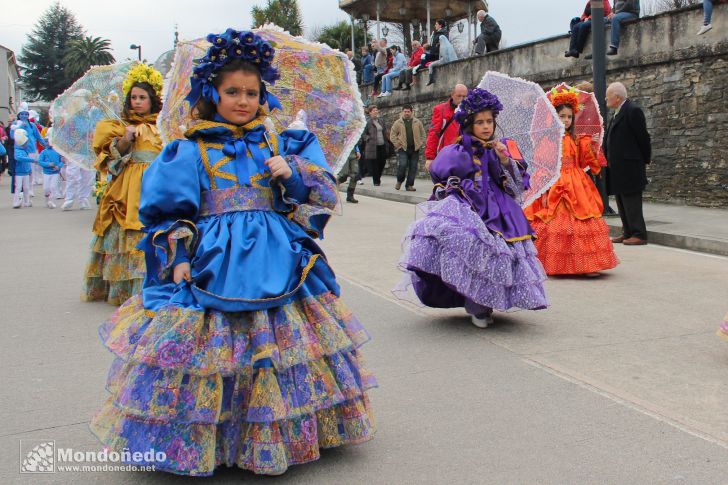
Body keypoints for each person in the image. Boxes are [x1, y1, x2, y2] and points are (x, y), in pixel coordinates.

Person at [88, 28, 376, 476]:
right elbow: (171, 211)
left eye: (252, 92)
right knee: (213, 344)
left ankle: (283, 428)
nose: (243, 100)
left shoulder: (278, 142)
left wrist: (292, 175)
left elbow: (313, 195)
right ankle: (214, 433)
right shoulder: (188, 150)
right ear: (211, 93)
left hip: (277, 252)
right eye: (232, 92)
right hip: (213, 259)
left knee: (278, 341)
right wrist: (179, 256)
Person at [394, 88, 548, 328]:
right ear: (469, 124)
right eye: (480, 122)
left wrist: (505, 160)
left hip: (498, 207)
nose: (486, 126)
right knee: (470, 249)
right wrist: (453, 186)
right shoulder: (458, 150)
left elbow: (516, 186)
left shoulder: (502, 147)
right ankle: (476, 303)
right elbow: (440, 174)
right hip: (467, 201)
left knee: (499, 253)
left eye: (489, 121)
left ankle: (487, 301)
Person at [81, 64, 165, 305]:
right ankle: (123, 288)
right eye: (134, 97)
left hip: (156, 182)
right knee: (126, 231)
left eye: (143, 98)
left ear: (153, 100)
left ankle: (155, 283)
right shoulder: (118, 125)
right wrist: (126, 139)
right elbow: (111, 159)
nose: (137, 102)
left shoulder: (160, 126)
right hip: (127, 186)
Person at [524, 86, 619, 276]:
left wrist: (590, 146)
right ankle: (556, 262)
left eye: (569, 117)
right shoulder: (548, 139)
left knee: (581, 219)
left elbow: (584, 161)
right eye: (562, 116)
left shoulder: (576, 139)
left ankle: (584, 264)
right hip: (556, 182)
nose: (566, 120)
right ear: (554, 117)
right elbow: (542, 161)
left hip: (576, 182)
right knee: (556, 220)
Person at [605, 81, 651, 245]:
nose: (606, 99)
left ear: (617, 97)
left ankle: (639, 234)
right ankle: (627, 232)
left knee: (631, 200)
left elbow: (643, 137)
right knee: (621, 200)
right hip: (618, 167)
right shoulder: (618, 112)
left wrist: (646, 158)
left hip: (630, 166)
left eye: (608, 96)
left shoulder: (633, 110)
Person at [425, 83, 468, 170]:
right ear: (452, 95)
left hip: (464, 154)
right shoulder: (441, 110)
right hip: (445, 155)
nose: (462, 99)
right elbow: (433, 134)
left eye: (464, 96)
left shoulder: (470, 111)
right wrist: (430, 157)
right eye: (459, 96)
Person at [390, 105, 426, 191]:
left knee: (413, 167)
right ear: (402, 112)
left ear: (411, 112)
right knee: (402, 165)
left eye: (408, 111)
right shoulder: (398, 123)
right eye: (405, 111)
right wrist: (397, 144)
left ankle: (409, 185)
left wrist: (421, 143)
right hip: (403, 148)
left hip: (415, 148)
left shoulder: (417, 122)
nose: (406, 113)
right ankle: (399, 180)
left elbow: (423, 134)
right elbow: (392, 135)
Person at [362, 104, 390, 186]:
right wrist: (368, 138)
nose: (375, 112)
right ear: (370, 113)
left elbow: (384, 131)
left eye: (376, 110)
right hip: (373, 146)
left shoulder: (381, 121)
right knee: (374, 164)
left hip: (382, 144)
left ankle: (377, 177)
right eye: (373, 111)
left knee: (382, 162)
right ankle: (376, 181)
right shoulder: (368, 122)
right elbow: (363, 134)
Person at [37, 137, 65, 209]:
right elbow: (40, 162)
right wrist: (48, 164)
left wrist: (58, 166)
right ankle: (47, 199)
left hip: (55, 173)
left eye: (50, 142)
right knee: (46, 188)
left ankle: (51, 201)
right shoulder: (43, 152)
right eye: (47, 142)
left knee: (53, 187)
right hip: (46, 173)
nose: (48, 143)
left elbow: (62, 161)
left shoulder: (57, 151)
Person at [11, 129, 33, 209]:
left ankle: (27, 201)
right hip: (19, 173)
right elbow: (19, 158)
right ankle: (16, 202)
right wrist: (32, 160)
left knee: (26, 188)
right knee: (18, 187)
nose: (27, 144)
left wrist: (30, 170)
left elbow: (27, 162)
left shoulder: (25, 151)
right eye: (26, 143)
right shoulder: (17, 150)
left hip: (26, 172)